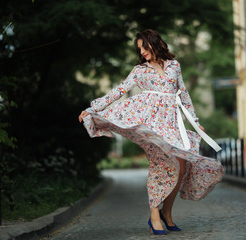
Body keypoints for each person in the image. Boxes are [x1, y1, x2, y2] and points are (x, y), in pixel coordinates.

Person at [78, 29, 224, 235]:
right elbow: (119, 91)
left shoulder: (174, 66)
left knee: (181, 168)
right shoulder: (139, 70)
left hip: (172, 125)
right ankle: (154, 214)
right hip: (151, 125)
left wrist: (195, 120)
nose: (142, 52)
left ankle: (167, 213)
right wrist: (93, 108)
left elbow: (184, 94)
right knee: (159, 167)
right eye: (139, 49)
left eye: (144, 47)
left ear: (154, 43)